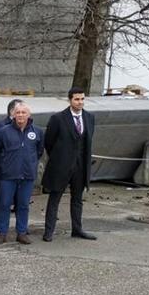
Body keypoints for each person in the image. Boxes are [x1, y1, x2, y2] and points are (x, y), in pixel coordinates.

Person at [42, 87, 97, 242]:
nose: (80, 102)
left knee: (77, 199)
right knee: (55, 198)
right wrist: (60, 158)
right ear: (70, 100)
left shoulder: (89, 118)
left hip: (80, 167)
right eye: (77, 99)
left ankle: (77, 229)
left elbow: (87, 141)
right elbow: (49, 142)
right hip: (61, 166)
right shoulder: (58, 119)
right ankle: (49, 231)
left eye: (82, 99)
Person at [0, 102, 43, 245]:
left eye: (23, 112)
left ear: (29, 115)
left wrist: (30, 164)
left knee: (23, 205)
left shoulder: (37, 131)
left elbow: (39, 151)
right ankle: (2, 233)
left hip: (27, 176)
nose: (20, 115)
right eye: (18, 112)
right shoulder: (3, 131)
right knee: (4, 204)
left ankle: (21, 232)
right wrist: (6, 165)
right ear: (13, 114)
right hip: (8, 176)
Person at [0, 98, 24, 232]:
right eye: (18, 110)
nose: (21, 114)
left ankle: (21, 226)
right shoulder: (0, 125)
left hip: (20, 170)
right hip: (2, 170)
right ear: (12, 111)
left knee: (20, 200)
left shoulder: (25, 125)